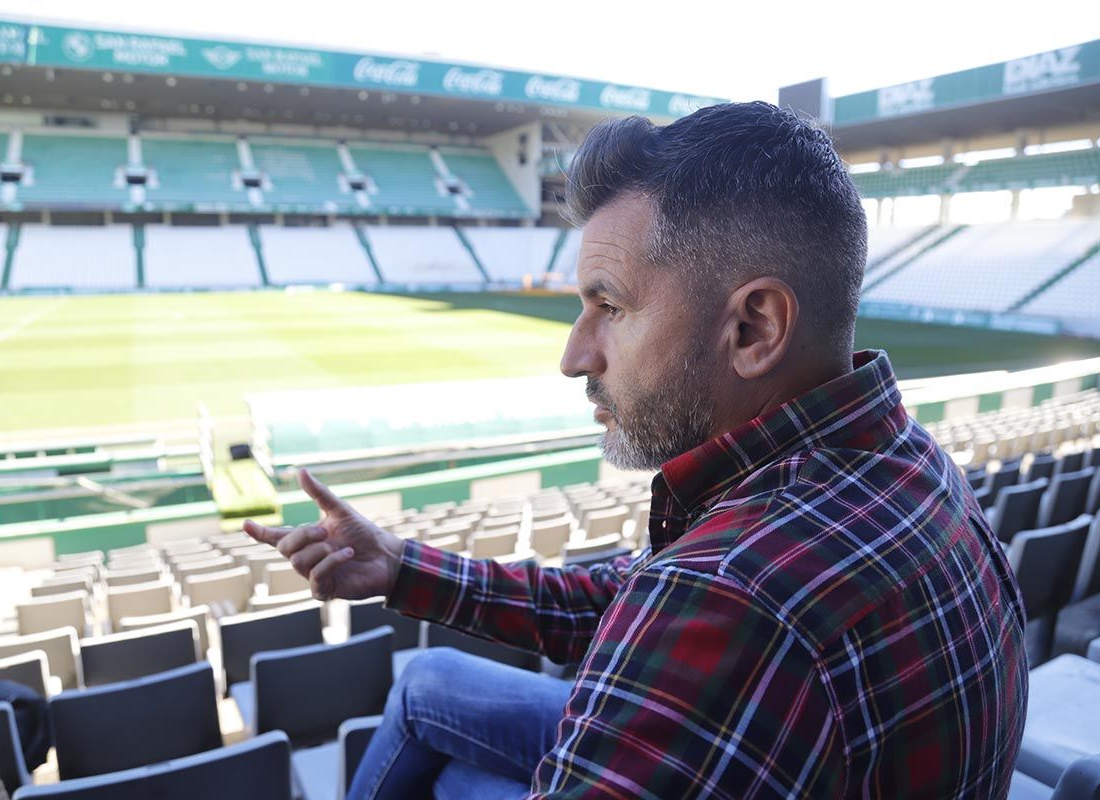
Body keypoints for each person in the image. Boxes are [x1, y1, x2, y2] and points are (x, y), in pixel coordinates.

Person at [245, 101, 1027, 799]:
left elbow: (693, 609)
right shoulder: (913, 463)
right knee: (428, 681)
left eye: (609, 306)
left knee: (450, 774)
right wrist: (404, 568)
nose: (574, 356)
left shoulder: (727, 600)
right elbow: (638, 597)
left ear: (753, 328)